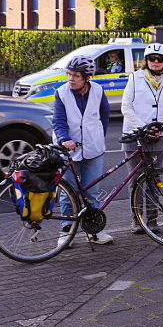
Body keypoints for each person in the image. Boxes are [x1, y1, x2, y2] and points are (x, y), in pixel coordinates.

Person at [52, 55, 113, 247]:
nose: (71, 78)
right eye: (69, 74)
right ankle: (66, 231)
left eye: (76, 76)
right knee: (68, 193)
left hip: (94, 150)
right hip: (69, 151)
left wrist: (97, 136)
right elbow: (58, 122)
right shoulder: (61, 93)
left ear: (86, 77)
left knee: (91, 192)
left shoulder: (98, 90)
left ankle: (94, 230)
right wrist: (65, 139)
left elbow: (105, 114)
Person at [120, 43, 163, 233]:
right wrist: (142, 127)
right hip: (135, 136)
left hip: (158, 137)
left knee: (154, 179)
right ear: (146, 61)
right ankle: (136, 220)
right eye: (152, 59)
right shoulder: (135, 79)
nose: (155, 62)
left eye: (159, 59)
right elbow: (126, 106)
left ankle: (152, 220)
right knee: (136, 180)